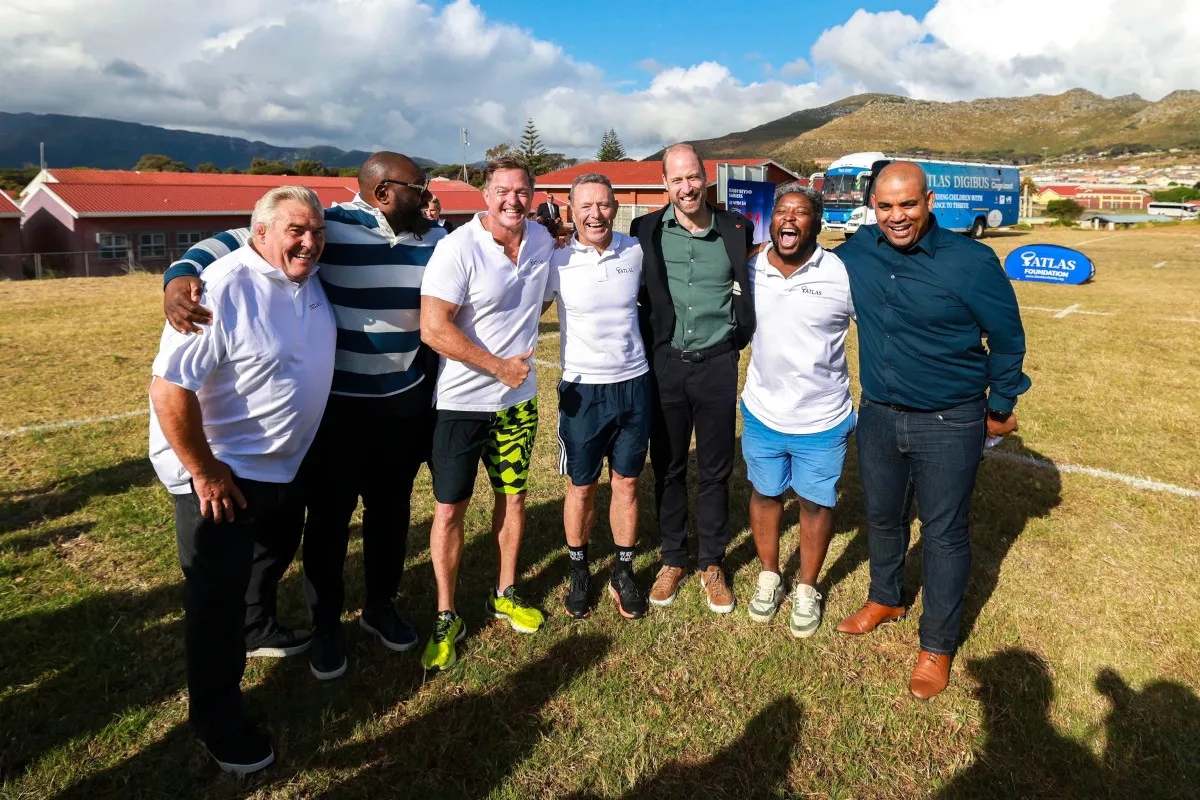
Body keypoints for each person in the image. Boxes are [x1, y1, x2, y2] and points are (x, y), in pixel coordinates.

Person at [162, 152, 444, 681]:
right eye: (418, 185)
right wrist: (179, 277)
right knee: (330, 523)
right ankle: (327, 624)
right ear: (384, 192)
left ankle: (381, 606)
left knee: (391, 513)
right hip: (335, 413)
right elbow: (232, 239)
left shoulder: (434, 238)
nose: (429, 194)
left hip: (401, 406)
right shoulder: (329, 225)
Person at [149, 186, 335, 773]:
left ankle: (259, 629)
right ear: (259, 234)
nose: (309, 242)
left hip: (279, 462)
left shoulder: (307, 278)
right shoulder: (223, 289)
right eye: (295, 231)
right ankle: (217, 721)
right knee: (214, 601)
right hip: (220, 470)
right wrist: (205, 473)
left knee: (274, 549)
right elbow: (169, 390)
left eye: (317, 231)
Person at [833, 161, 1029, 700]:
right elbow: (802, 269)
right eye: (885, 206)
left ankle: (937, 645)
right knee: (883, 515)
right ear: (873, 207)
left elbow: (1008, 340)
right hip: (876, 415)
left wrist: (1001, 405)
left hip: (949, 420)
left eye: (908, 204)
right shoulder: (856, 251)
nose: (897, 217)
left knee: (943, 534)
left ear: (929, 200)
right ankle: (886, 597)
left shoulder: (972, 261)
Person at [419, 155, 556, 670]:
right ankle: (446, 612)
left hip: (516, 405)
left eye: (521, 191)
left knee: (514, 499)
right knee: (451, 509)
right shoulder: (457, 248)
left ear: (531, 194)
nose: (512, 201)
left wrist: (513, 354)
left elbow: (537, 299)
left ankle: (505, 592)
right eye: (502, 191)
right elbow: (433, 328)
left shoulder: (542, 241)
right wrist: (498, 365)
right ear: (484, 195)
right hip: (461, 405)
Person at [629, 144, 755, 614]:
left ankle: (712, 562)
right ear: (665, 184)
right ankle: (673, 557)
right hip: (666, 364)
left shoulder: (735, 229)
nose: (686, 187)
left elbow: (748, 286)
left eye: (693, 177)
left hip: (718, 364)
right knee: (668, 466)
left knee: (717, 470)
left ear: (707, 178)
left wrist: (736, 339)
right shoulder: (644, 230)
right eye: (676, 179)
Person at [740, 183, 855, 638]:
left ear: (817, 224)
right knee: (766, 495)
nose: (789, 218)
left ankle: (806, 587)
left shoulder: (840, 274)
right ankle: (770, 575)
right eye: (782, 211)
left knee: (814, 501)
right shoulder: (749, 267)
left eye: (801, 212)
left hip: (822, 418)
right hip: (762, 411)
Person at [542, 173, 650, 620]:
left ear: (616, 207)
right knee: (581, 486)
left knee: (626, 482)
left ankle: (623, 572)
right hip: (584, 391)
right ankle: (579, 569)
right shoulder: (557, 261)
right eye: (585, 206)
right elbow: (522, 307)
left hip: (635, 384)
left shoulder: (635, 250)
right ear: (571, 212)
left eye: (604, 204)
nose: (596, 214)